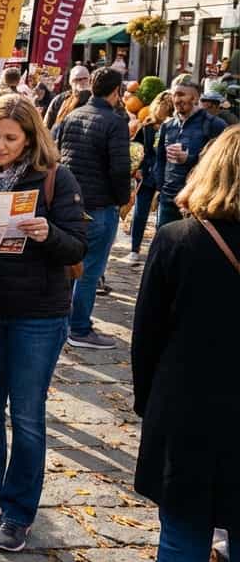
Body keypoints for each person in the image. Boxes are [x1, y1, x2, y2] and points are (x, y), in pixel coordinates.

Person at [0, 94, 87, 552]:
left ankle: (18, 511)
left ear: (29, 138)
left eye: (10, 137)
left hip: (38, 315)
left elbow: (78, 246)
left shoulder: (54, 179)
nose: (0, 145)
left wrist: (49, 234)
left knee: (26, 415)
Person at [132, 124, 240, 562]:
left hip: (187, 409)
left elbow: (146, 336)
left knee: (182, 534)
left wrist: (148, 403)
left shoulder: (177, 239)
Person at [52, 66, 130, 350]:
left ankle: (64, 322)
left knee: (71, 266)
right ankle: (79, 328)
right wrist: (122, 199)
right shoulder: (115, 122)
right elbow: (120, 168)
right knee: (89, 270)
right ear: (116, 91)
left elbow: (59, 156)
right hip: (99, 205)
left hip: (71, 203)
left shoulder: (73, 115)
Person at [154, 75, 228, 229]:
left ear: (195, 98)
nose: (176, 99)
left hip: (196, 199)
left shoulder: (214, 125)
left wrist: (189, 159)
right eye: (174, 95)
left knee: (190, 241)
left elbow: (221, 162)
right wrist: (160, 186)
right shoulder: (168, 126)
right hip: (168, 198)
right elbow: (160, 159)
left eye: (181, 95)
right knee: (164, 238)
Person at [123, 92, 172, 265]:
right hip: (148, 174)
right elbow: (138, 148)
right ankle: (134, 249)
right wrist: (139, 168)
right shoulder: (147, 126)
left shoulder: (173, 127)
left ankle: (158, 251)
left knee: (162, 218)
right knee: (140, 213)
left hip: (167, 176)